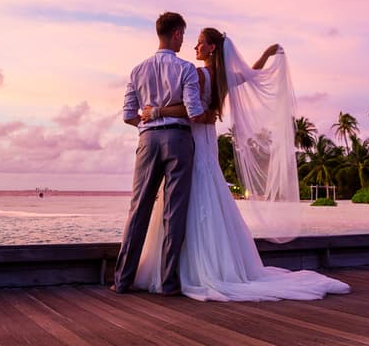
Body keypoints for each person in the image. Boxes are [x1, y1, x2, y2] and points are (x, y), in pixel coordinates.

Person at [132, 28, 351, 301]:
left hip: (193, 140)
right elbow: (252, 74)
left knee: (182, 201)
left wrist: (156, 111)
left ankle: (187, 268)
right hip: (208, 142)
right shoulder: (224, 77)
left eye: (200, 44)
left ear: (212, 48)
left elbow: (192, 112)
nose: (195, 48)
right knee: (209, 194)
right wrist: (266, 55)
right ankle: (217, 264)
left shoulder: (198, 74)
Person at [112, 12, 211, 296]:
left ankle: (122, 280)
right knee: (174, 211)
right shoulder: (186, 69)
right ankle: (169, 283)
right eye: (184, 35)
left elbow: (128, 115)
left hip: (148, 140)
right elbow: (194, 112)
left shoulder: (137, 70)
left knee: (138, 208)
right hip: (178, 139)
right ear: (177, 33)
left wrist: (148, 121)